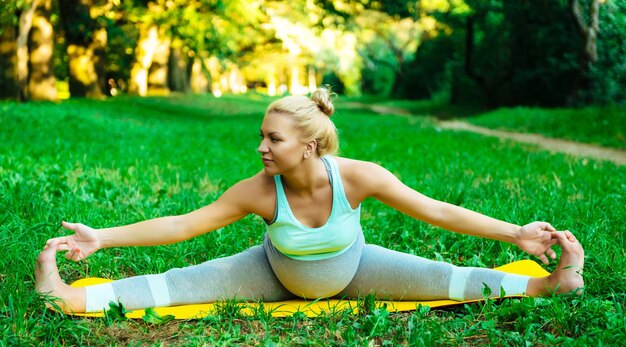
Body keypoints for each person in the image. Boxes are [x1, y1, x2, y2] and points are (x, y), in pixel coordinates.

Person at [35, 88, 585, 314]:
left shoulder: (359, 176)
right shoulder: (258, 190)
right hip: (272, 274)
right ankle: (65, 295)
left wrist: (515, 233)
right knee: (180, 283)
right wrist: (103, 237)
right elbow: (183, 225)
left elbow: (438, 211)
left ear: (310, 145)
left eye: (274, 139)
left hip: (358, 270)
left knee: (450, 278)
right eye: (262, 136)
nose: (262, 147)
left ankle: (550, 281)